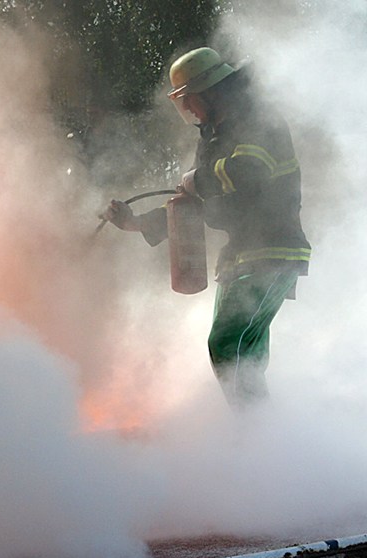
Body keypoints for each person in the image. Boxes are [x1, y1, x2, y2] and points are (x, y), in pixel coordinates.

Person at [102, 47, 311, 409]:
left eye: (190, 102)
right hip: (241, 258)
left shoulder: (257, 119)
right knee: (245, 352)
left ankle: (257, 434)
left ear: (209, 92)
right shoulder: (213, 139)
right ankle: (264, 439)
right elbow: (194, 205)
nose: (190, 112)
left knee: (227, 343)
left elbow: (249, 170)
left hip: (272, 251)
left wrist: (198, 179)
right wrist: (136, 223)